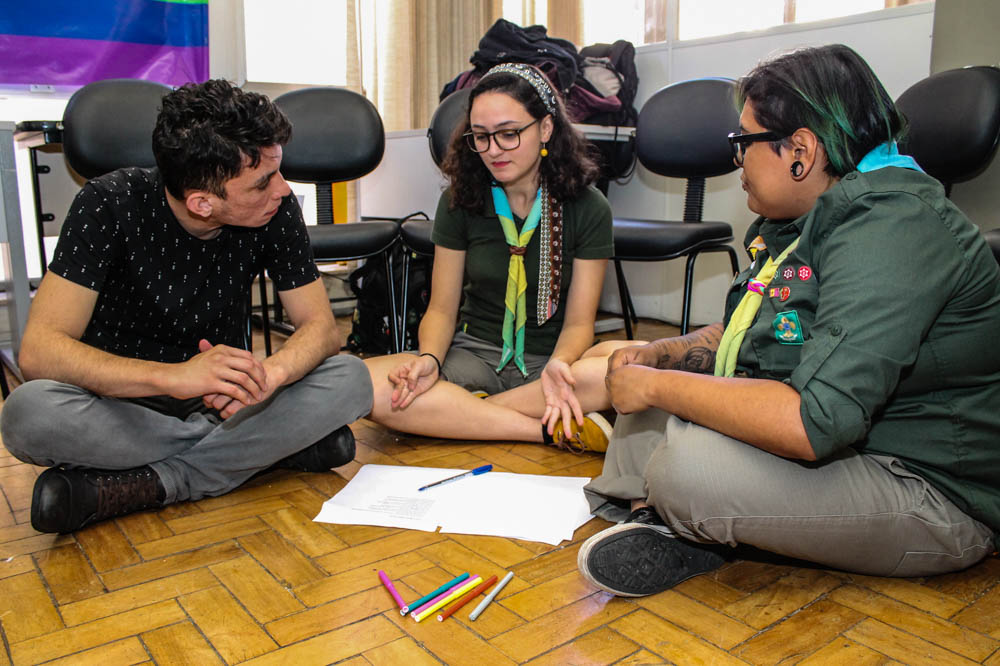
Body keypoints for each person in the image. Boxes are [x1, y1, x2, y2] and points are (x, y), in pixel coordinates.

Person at [577, 44, 1000, 597]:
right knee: (649, 418)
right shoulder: (813, 217)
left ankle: (681, 517)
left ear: (799, 150)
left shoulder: (892, 228)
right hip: (852, 453)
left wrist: (659, 385)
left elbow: (812, 421)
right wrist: (662, 356)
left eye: (743, 142)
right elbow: (753, 334)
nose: (737, 161)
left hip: (927, 491)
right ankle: (668, 522)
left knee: (687, 464)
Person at [0, 79, 373, 534]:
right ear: (202, 203)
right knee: (27, 414)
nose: (282, 189)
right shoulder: (106, 204)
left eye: (279, 171)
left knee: (351, 377)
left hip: (227, 403)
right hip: (120, 404)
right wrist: (174, 377)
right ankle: (268, 452)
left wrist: (270, 378)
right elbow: (39, 351)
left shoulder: (275, 209)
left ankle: (157, 483)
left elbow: (321, 328)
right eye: (262, 182)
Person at [364, 63, 640, 451]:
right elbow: (441, 309)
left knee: (634, 362)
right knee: (367, 384)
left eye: (509, 134)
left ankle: (465, 414)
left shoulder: (588, 207)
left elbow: (580, 323)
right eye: (481, 137)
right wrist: (429, 359)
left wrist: (560, 364)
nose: (493, 150)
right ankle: (543, 429)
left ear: (545, 128)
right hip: (473, 355)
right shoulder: (460, 200)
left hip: (551, 363)